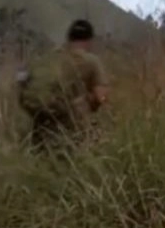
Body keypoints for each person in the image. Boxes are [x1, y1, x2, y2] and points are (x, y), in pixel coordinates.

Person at [16, 19, 109, 151]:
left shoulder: (46, 58)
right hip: (71, 133)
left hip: (40, 130)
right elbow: (101, 97)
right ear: (89, 41)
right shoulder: (91, 61)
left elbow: (21, 81)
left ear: (69, 38)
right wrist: (91, 103)